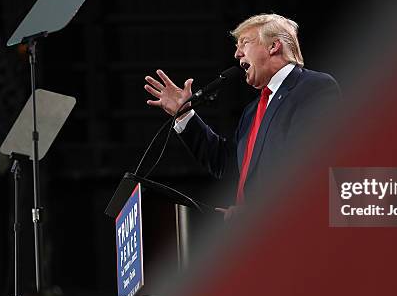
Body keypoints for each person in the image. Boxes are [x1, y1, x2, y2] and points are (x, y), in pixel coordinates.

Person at [144, 13, 340, 220]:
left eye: (244, 43)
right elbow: (226, 163)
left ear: (274, 46)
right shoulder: (252, 111)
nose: (237, 54)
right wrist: (184, 114)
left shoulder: (313, 87)